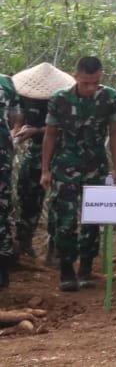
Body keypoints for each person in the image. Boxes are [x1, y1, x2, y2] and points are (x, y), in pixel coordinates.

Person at [41, 56, 116, 292]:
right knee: (65, 220)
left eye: (96, 82)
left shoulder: (110, 98)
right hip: (65, 167)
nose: (91, 87)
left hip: (95, 166)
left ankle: (86, 269)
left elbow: (115, 133)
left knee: (92, 219)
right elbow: (51, 135)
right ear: (75, 76)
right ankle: (67, 269)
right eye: (86, 82)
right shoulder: (60, 99)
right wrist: (45, 169)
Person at [11, 63, 74, 267]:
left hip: (61, 154)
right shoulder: (25, 95)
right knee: (27, 197)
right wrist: (18, 130)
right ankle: (24, 245)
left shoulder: (64, 99)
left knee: (60, 204)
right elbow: (19, 117)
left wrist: (36, 131)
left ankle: (55, 251)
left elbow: (62, 128)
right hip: (34, 153)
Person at [0, 70, 17, 289]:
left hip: (2, 154)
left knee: (2, 208)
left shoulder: (7, 83)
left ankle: (3, 270)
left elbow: (15, 119)